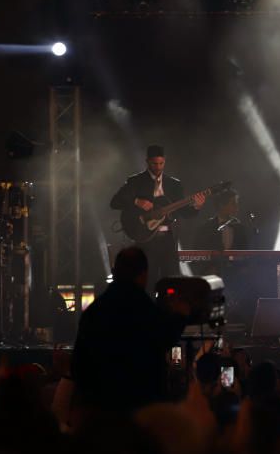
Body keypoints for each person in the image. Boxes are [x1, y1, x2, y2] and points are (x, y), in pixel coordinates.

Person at [71, 246, 189, 413]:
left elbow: (79, 363)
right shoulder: (144, 308)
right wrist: (180, 316)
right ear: (143, 275)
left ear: (115, 271)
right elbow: (164, 338)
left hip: (101, 407)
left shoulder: (95, 310)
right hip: (141, 405)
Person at [110, 145, 205, 292]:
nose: (158, 167)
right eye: (154, 163)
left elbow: (184, 213)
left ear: (165, 162)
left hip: (168, 240)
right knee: (147, 282)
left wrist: (197, 206)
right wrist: (137, 201)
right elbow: (115, 202)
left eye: (161, 163)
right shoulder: (136, 181)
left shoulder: (174, 184)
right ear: (147, 162)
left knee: (171, 283)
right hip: (145, 239)